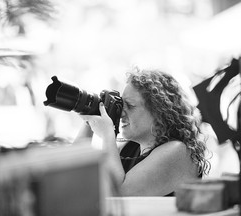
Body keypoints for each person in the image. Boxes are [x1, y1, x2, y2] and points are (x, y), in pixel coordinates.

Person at [76, 66, 211, 197]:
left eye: (130, 106)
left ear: (159, 112)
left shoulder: (179, 151)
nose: (121, 112)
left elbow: (119, 194)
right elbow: (75, 177)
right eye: (121, 105)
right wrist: (90, 119)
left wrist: (107, 134)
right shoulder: (129, 148)